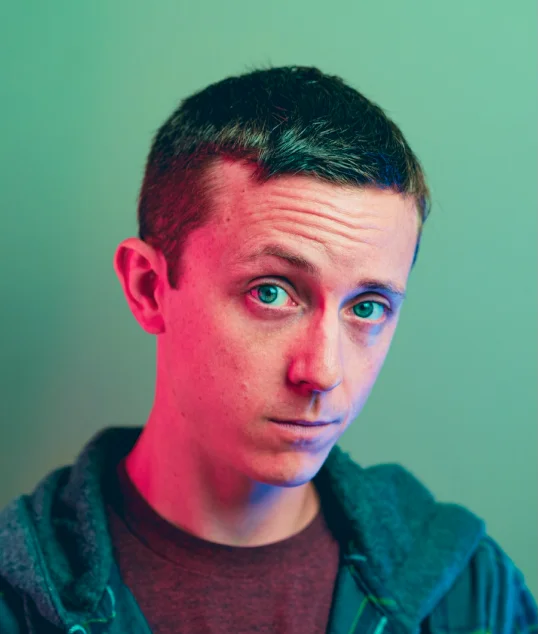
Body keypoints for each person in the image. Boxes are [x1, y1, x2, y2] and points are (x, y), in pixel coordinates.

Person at [0, 65, 536, 634]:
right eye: (272, 292)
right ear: (149, 288)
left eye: (367, 307)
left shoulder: (473, 594)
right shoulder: (17, 604)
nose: (323, 372)